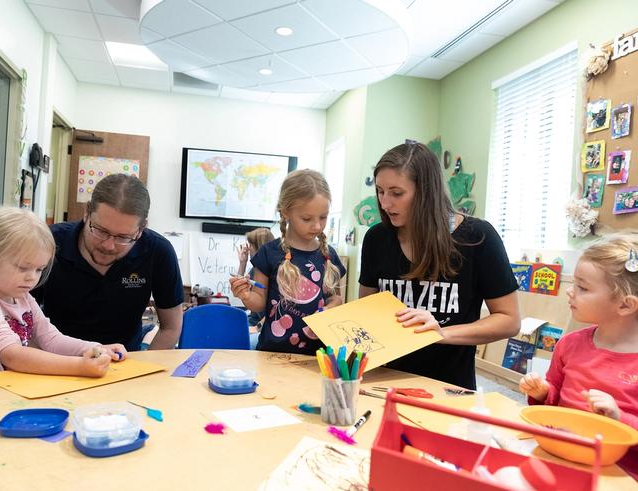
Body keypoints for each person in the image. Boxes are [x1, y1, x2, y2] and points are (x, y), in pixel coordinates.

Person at [358, 142, 520, 389]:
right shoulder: (376, 238)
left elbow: (509, 320)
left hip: (448, 386)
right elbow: (365, 312)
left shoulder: (478, 237)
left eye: (396, 193)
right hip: (383, 383)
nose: (385, 203)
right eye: (380, 191)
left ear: (425, 191)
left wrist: (441, 333)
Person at [0, 207, 127, 391]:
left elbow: (52, 340)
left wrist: (95, 348)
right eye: (23, 267)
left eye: (39, 269)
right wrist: (79, 366)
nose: (32, 278)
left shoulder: (23, 298)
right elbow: (12, 354)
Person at [519, 235, 638, 476]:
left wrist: (619, 418)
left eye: (583, 288)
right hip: (560, 457)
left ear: (625, 305)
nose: (570, 293)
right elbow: (555, 400)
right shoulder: (568, 344)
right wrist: (543, 392)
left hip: (619, 475)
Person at [32, 174, 184, 351]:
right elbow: (20, 316)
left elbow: (171, 328)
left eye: (123, 237)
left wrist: (142, 371)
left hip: (124, 361)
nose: (108, 245)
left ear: (141, 230)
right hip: (54, 360)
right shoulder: (50, 242)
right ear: (87, 213)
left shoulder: (158, 252)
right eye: (100, 231)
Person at [229, 169, 346, 355]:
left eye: (323, 217)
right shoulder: (269, 252)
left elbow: (336, 298)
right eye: (307, 218)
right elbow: (259, 302)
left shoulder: (328, 254)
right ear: (285, 212)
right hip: (272, 355)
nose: (317, 226)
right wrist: (244, 295)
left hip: (318, 357)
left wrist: (328, 310)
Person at [237, 227, 275, 328]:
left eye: (251, 245)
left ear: (260, 247)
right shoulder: (256, 269)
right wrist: (242, 263)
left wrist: (257, 327)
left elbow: (275, 310)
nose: (248, 249)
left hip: (265, 325)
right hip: (253, 320)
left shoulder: (274, 272)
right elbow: (237, 292)